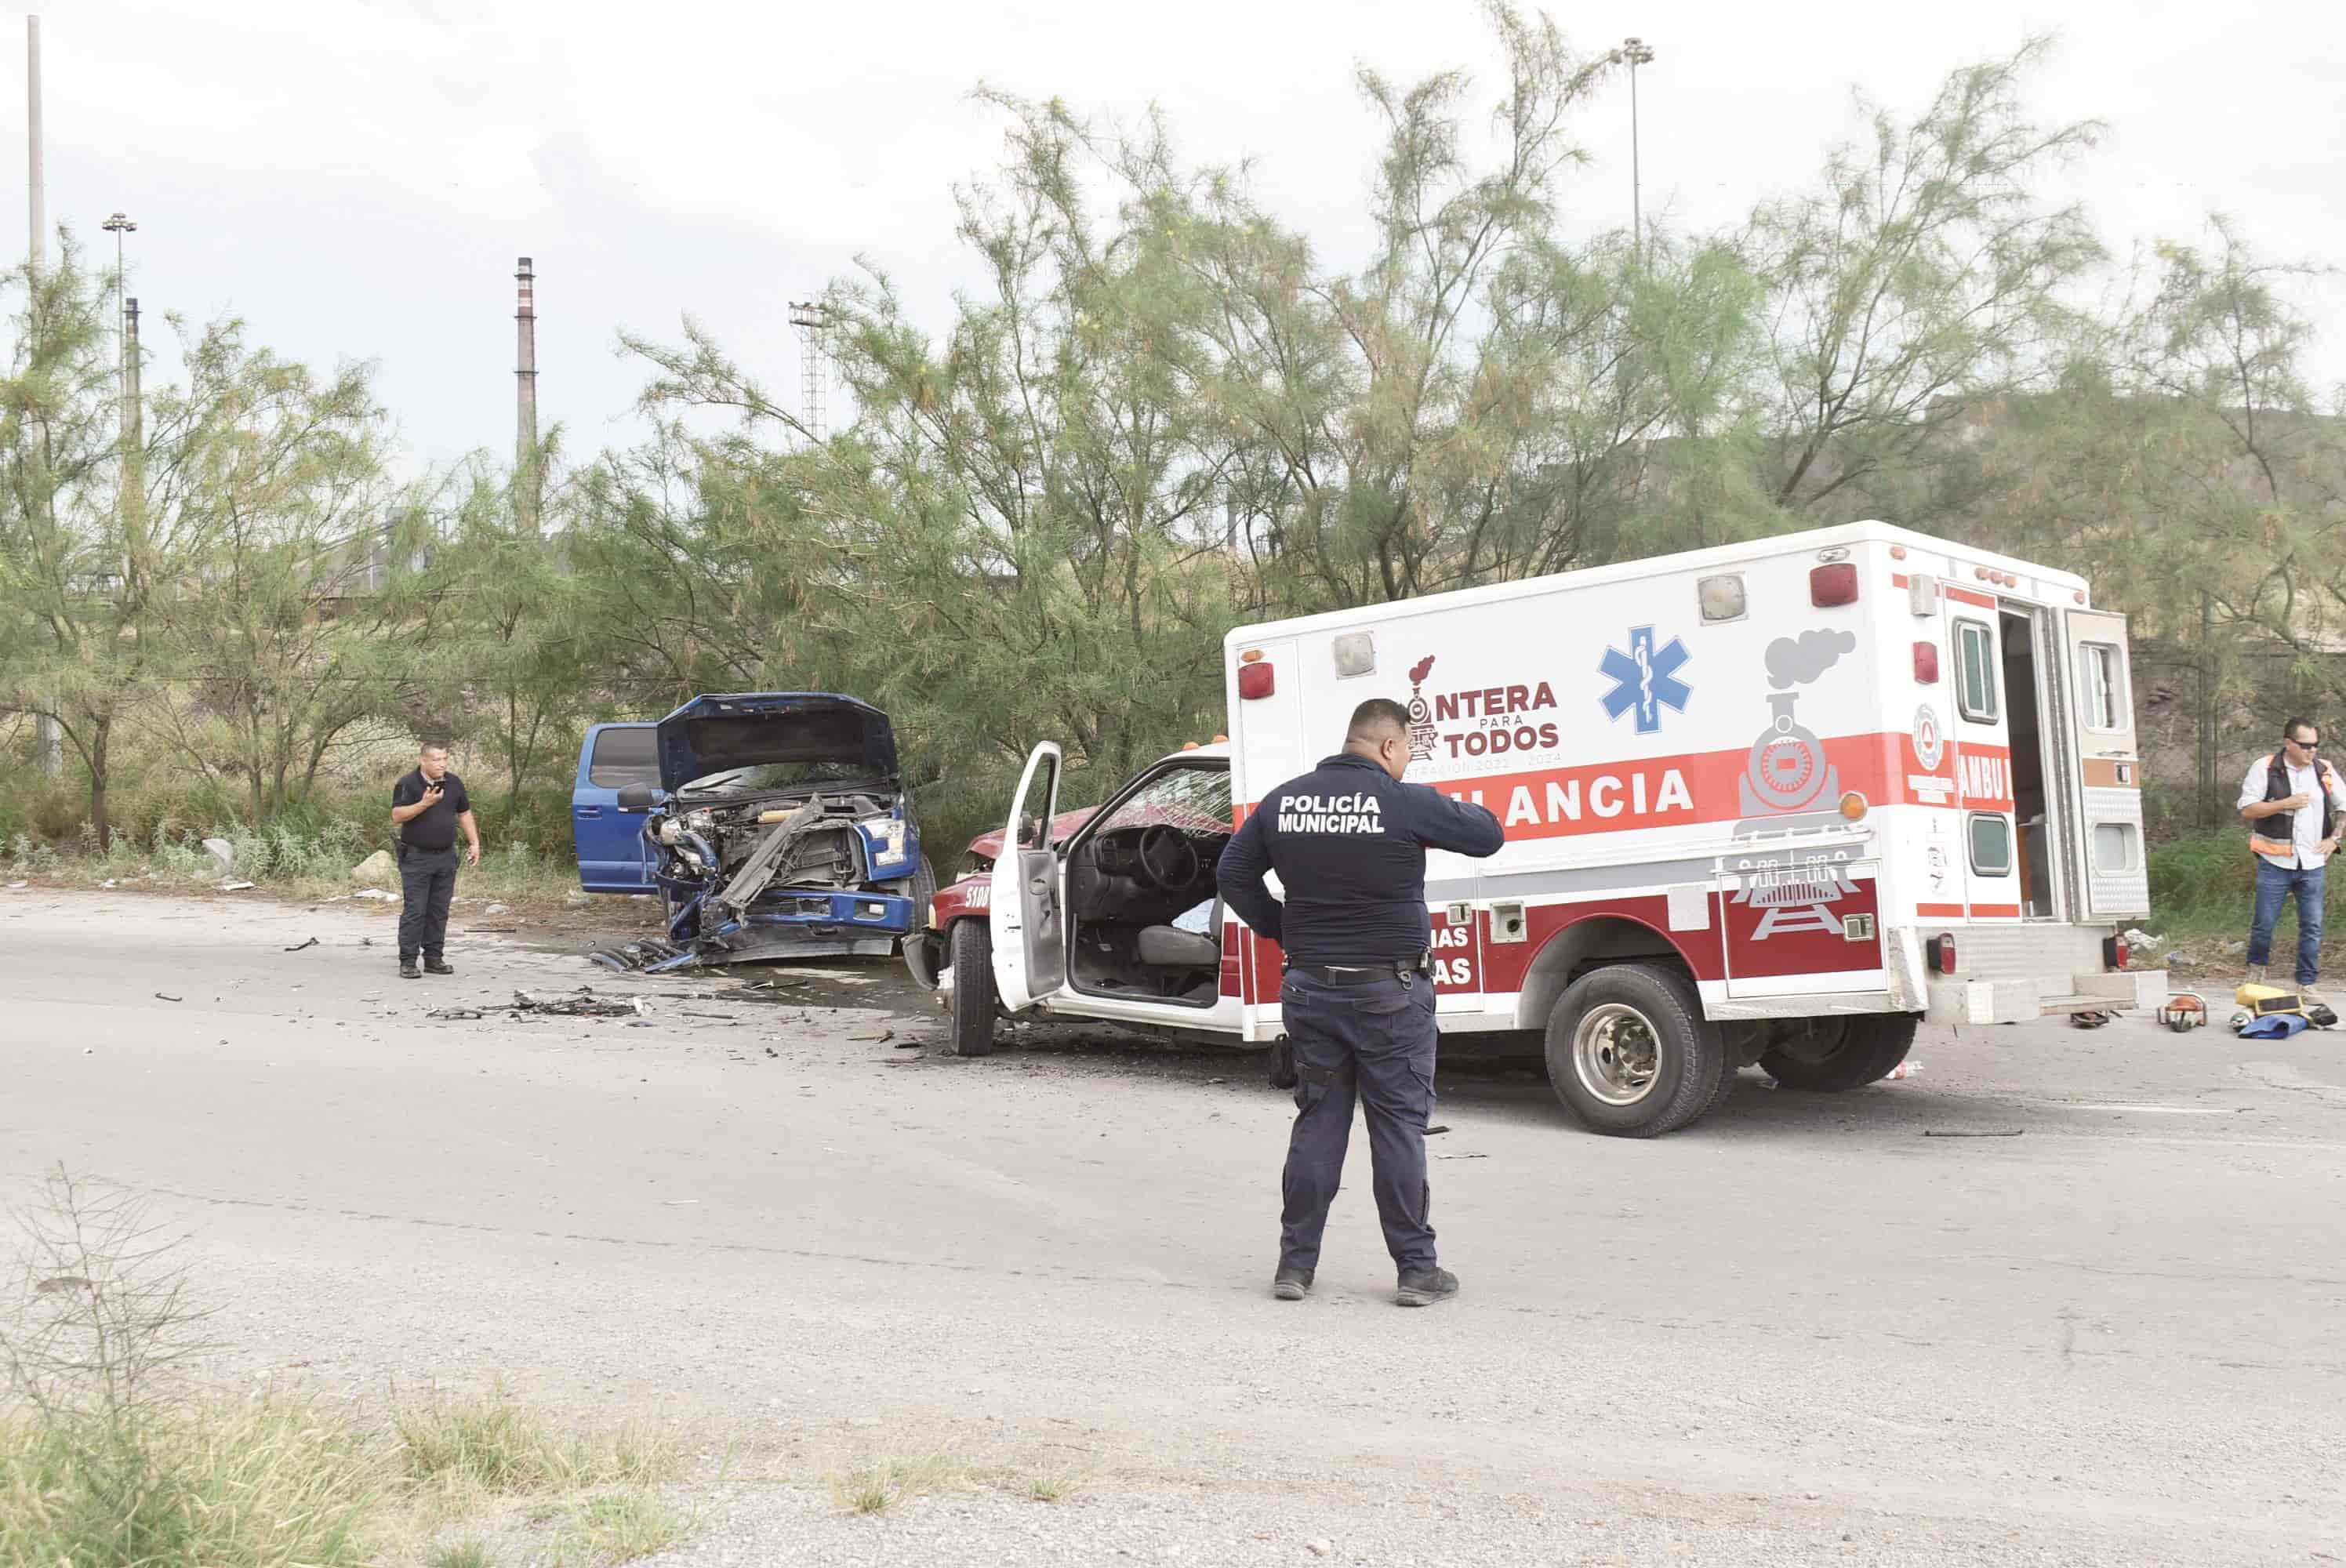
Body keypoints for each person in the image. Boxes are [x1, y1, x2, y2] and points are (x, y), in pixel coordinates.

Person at [1216, 698, 1505, 1308]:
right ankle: (1416, 1270)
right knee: (1398, 1126)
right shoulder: (1403, 801)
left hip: (1310, 990)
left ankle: (1294, 1267)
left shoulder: (1285, 800)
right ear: (1389, 746)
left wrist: (1280, 928)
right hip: (1390, 995)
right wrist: (1428, 805)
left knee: (1319, 1121)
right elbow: (1488, 835)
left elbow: (1232, 873)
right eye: (1405, 752)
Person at [2237, 717, 2346, 998]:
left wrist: (2334, 838)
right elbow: (2247, 810)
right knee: (2264, 923)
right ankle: (2256, 975)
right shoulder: (2265, 768)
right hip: (2275, 862)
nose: (2312, 751)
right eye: (2305, 745)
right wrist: (2285, 804)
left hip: (2312, 864)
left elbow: (2343, 806)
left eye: (2316, 745)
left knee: (2312, 926)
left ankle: (2306, 984)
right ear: (2288, 743)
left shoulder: (2324, 770)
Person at [389, 742, 480, 980]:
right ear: (424, 761)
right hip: (417, 858)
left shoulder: (454, 783)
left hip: (446, 857)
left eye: (445, 759)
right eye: (437, 760)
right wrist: (424, 803)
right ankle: (408, 961)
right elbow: (397, 816)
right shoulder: (407, 783)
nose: (442, 764)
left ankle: (433, 958)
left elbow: (464, 813)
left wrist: (474, 843)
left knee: (439, 910)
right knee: (415, 911)